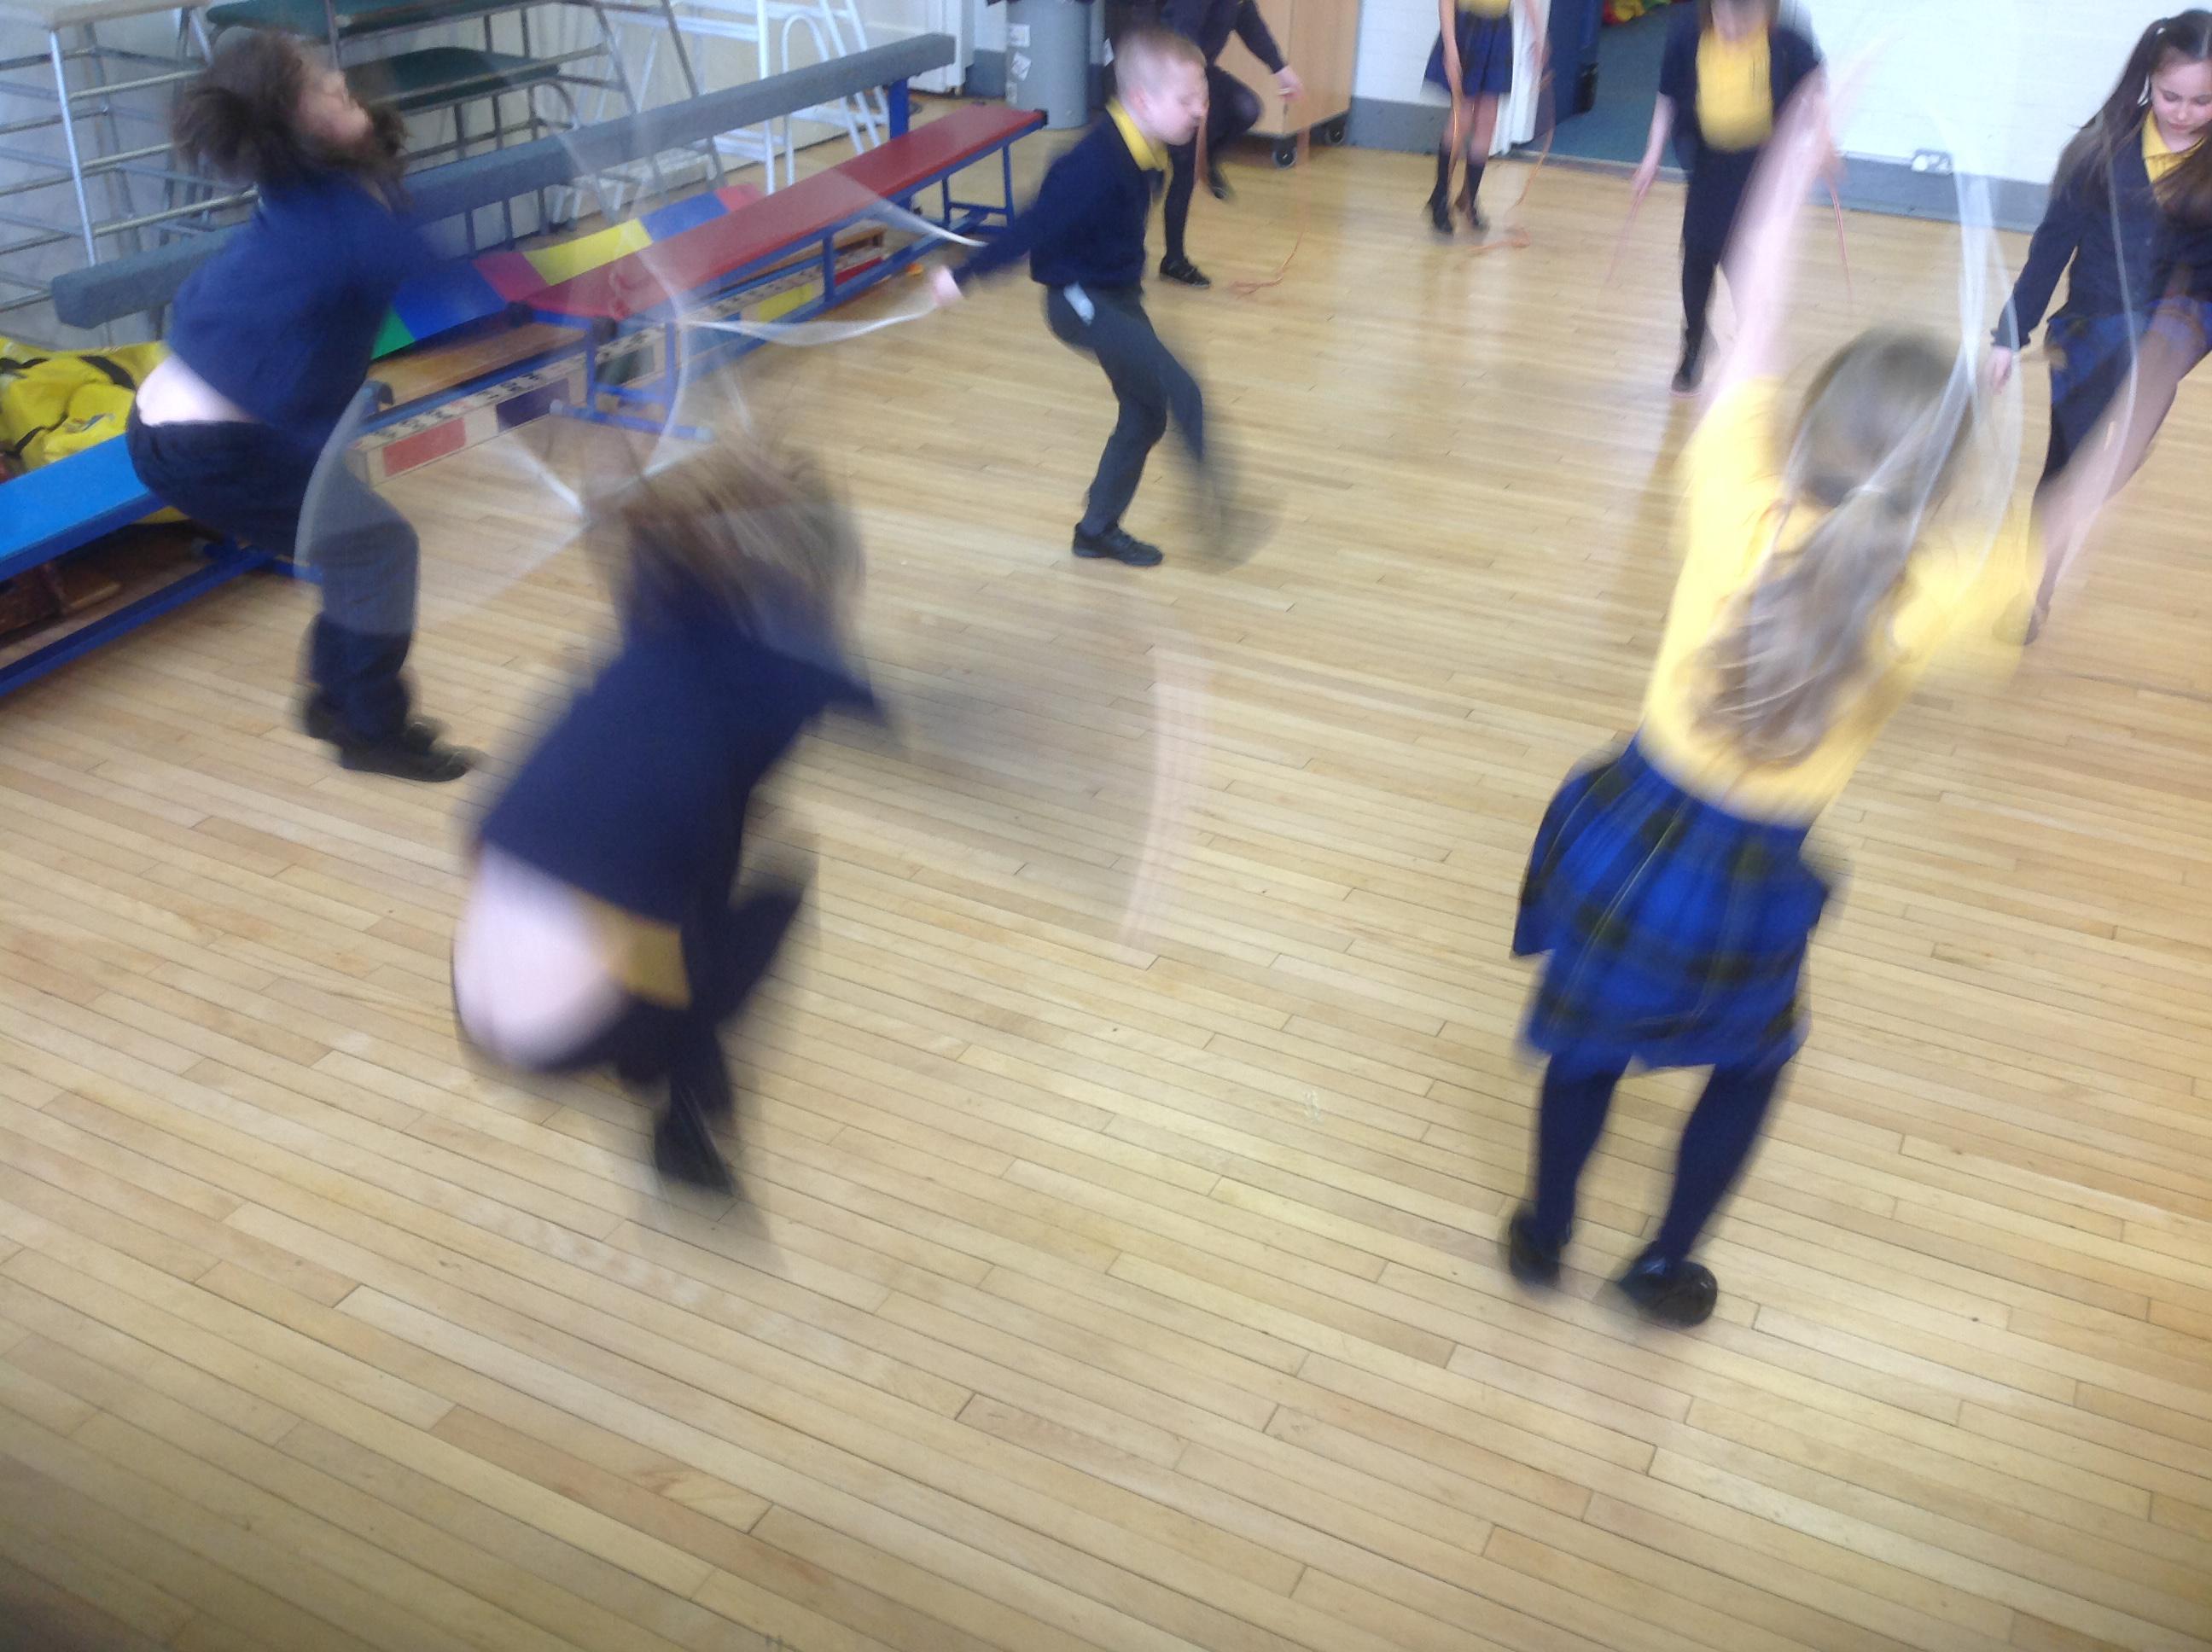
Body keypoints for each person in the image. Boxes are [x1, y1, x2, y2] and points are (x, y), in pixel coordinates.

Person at [1505, 78, 2114, 1328]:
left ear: (1814, 422)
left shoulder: (1737, 491)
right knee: (1751, 1063)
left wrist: (1790, 157)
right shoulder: (1943, 587)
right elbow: (2065, 525)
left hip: (1630, 823)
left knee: (1587, 1045)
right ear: (1940, 477)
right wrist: (2132, 395)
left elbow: (1758, 308)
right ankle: (1662, 1264)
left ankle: (1544, 1231)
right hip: (1750, 873)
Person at [452, 438, 876, 1192]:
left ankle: (663, 1060)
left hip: (472, 1001)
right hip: (554, 1028)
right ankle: (678, 1109)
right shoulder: (770, 683)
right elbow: (851, 696)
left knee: (693, 875)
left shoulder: (658, 625)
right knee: (764, 899)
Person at [125, 32, 471, 782]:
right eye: (315, 85)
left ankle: (339, 701)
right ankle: (368, 731)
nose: (338, 81)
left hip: (202, 427)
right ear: (289, 126)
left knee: (363, 547)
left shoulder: (318, 189)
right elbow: (451, 292)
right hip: (209, 450)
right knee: (377, 548)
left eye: (326, 72)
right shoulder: (340, 224)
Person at [930, 26, 1210, 569]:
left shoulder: (1149, 149)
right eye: (1187, 99)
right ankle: (1224, 518)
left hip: (1116, 294)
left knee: (1147, 410)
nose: (1199, 109)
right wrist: (962, 277)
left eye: (1201, 96)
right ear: (1142, 100)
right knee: (1182, 387)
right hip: (1077, 299)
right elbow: (1032, 226)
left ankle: (1096, 530)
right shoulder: (1093, 163)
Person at [1989, 11, 2212, 492]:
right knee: (2067, 461)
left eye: (2203, 101)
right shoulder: (2103, 146)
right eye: (2171, 96)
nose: (2183, 114)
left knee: (2114, 460)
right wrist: (2009, 335)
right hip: (2092, 322)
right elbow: (2052, 246)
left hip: (2173, 325)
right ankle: (2052, 532)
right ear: (2149, 79)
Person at [1632, 0, 1824, 396]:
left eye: (1743, 20)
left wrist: (1824, 142)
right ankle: (1698, 339)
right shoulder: (1689, 35)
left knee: (1728, 250)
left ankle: (1746, 335)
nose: (1732, 28)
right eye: (1723, 17)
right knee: (1699, 251)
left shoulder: (1785, 44)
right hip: (1709, 160)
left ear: (1764, 13)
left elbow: (1814, 87)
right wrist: (1652, 156)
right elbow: (1668, 96)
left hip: (1758, 164)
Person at [1155, 0, 1303, 288]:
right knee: (1180, 172)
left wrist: (1281, 69)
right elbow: (1179, 37)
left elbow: (1251, 26)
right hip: (1170, 78)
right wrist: (1193, 92)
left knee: (1246, 108)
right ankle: (1173, 260)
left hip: (1199, 73)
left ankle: (1208, 161)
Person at [1424, 0, 1545, 235]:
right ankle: (1440, 196)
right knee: (1462, 119)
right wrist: (1451, 49)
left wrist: (1538, 36)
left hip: (1499, 30)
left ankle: (1469, 198)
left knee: (1488, 122)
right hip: (1467, 28)